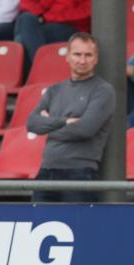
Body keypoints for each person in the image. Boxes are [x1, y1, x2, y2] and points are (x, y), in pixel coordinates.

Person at [25, 32, 115, 203]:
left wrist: (49, 126)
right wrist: (64, 121)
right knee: (38, 224)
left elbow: (85, 129)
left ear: (96, 58)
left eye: (88, 55)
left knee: (79, 228)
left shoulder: (103, 90)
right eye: (77, 54)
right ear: (67, 56)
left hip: (80, 172)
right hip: (45, 171)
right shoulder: (54, 90)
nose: (82, 60)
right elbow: (31, 123)